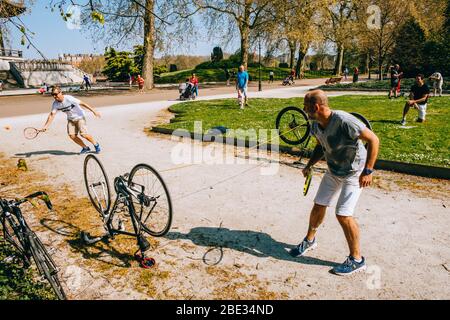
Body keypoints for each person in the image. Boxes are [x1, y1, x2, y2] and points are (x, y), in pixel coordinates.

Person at [289, 89, 380, 276]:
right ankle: (310, 240)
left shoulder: (344, 121)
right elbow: (320, 147)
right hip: (333, 170)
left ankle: (356, 259)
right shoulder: (315, 125)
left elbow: (373, 139)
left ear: (316, 106)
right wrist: (309, 165)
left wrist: (368, 171)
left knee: (343, 214)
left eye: (306, 107)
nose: (304, 111)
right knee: (319, 205)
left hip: (354, 172)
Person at [40, 86, 101, 154]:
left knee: (84, 135)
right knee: (72, 136)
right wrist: (46, 126)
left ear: (60, 93)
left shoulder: (69, 98)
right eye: (53, 95)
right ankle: (85, 148)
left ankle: (96, 144)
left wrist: (94, 111)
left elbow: (83, 103)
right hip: (71, 119)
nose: (54, 96)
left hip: (80, 117)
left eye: (56, 94)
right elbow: (52, 115)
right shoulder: (55, 104)